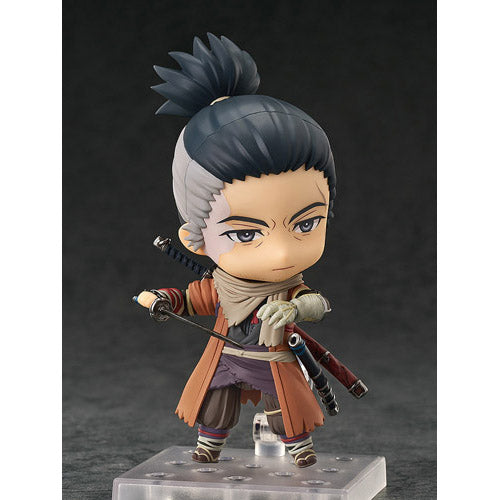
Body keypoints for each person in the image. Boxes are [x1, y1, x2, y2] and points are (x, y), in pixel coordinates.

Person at [135, 33, 337, 468]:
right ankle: (209, 446)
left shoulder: (287, 289)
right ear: (194, 238)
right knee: (216, 402)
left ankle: (299, 448)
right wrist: (161, 300)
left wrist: (294, 309)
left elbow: (316, 303)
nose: (281, 253)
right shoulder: (222, 286)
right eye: (246, 234)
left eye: (306, 224)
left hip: (274, 357)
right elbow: (193, 299)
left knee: (285, 408)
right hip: (227, 355)